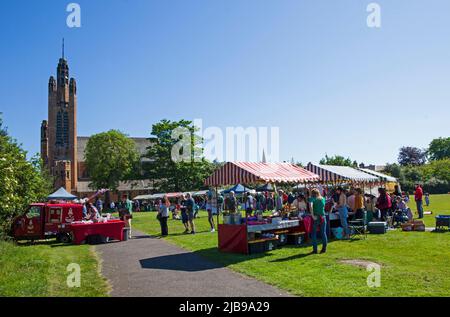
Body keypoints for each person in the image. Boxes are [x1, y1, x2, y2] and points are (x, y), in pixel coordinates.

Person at [308, 188, 327, 254]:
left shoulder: (312, 198)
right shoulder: (323, 199)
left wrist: (312, 216)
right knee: (323, 233)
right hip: (323, 217)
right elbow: (323, 207)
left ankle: (315, 250)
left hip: (316, 217)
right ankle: (324, 249)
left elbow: (310, 206)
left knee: (313, 234)